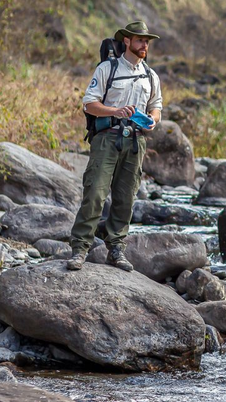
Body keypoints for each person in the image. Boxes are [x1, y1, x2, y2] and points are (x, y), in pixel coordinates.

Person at [67, 21, 163, 271]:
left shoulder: (151, 76)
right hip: (107, 139)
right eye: (140, 40)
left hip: (135, 141)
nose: (144, 45)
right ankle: (79, 249)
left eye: (147, 41)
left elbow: (157, 106)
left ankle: (116, 250)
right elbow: (89, 104)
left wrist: (152, 120)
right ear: (127, 41)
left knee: (126, 198)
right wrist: (116, 111)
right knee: (95, 194)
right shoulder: (107, 69)